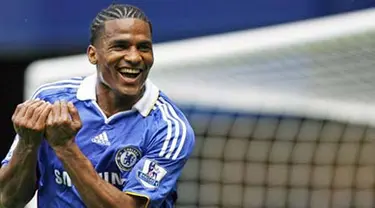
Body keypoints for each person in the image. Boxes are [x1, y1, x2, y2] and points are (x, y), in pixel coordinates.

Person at [0, 3, 195, 208]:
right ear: (93, 55)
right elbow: (7, 199)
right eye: (120, 46)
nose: (135, 57)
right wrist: (27, 144)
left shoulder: (169, 129)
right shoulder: (51, 100)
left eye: (144, 47)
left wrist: (66, 148)